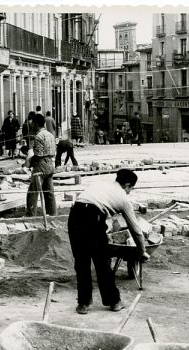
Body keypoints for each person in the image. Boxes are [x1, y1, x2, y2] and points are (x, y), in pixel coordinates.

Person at [69, 169, 150, 315]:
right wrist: (142, 251)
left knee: (81, 262)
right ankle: (114, 302)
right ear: (126, 185)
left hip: (75, 215)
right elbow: (136, 229)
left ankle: (83, 304)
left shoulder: (101, 185)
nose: (129, 192)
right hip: (93, 218)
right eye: (130, 188)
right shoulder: (123, 198)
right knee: (102, 263)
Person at [26, 113, 57, 217]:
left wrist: (29, 161)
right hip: (50, 164)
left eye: (33, 124)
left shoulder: (39, 136)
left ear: (36, 124)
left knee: (33, 192)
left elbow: (38, 155)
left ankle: (31, 216)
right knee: (49, 192)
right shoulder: (50, 135)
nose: (32, 126)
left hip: (41, 165)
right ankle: (53, 214)